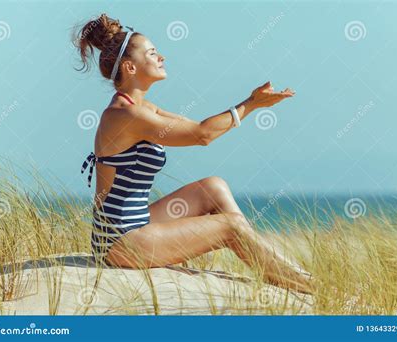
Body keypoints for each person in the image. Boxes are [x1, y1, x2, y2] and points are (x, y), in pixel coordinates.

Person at [75, 13, 313, 294]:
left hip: (138, 224)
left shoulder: (142, 108)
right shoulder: (125, 115)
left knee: (213, 187)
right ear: (129, 67)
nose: (161, 57)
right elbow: (203, 136)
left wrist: (252, 105)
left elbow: (199, 128)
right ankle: (308, 286)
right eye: (152, 53)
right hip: (119, 243)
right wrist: (251, 104)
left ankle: (283, 273)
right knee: (230, 227)